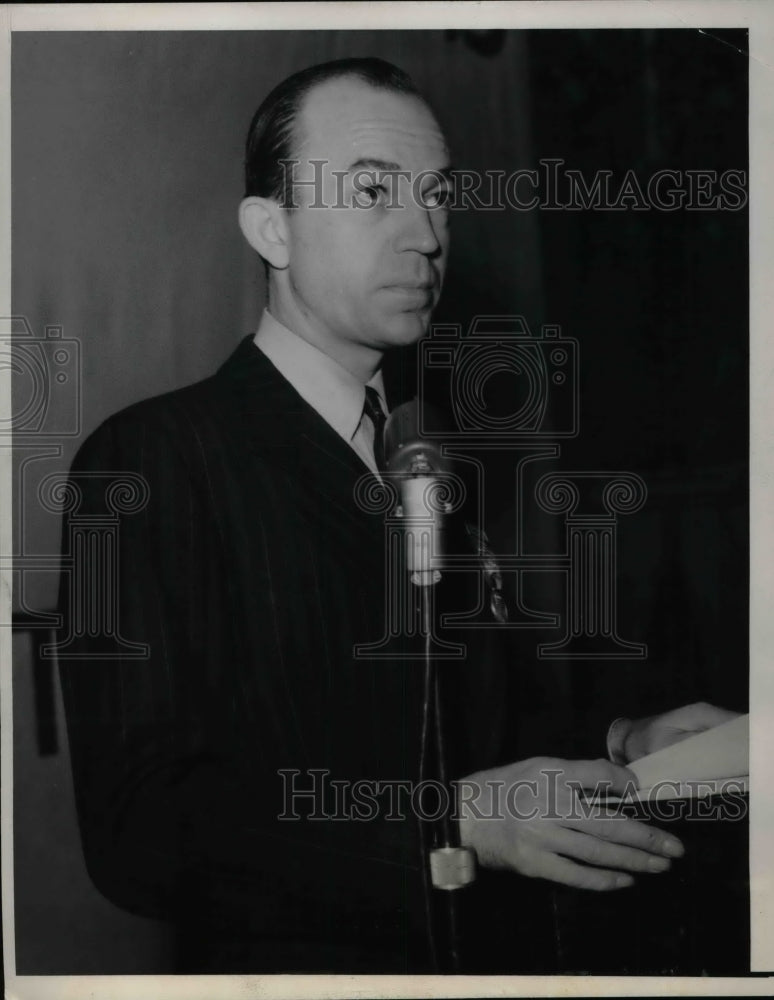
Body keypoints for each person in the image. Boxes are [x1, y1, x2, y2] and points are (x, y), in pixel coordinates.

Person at [58, 57, 736, 974]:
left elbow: (464, 721)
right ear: (273, 228)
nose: (426, 233)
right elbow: (140, 831)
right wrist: (451, 824)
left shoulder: (417, 446)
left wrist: (624, 739)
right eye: (373, 190)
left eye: (439, 196)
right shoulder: (148, 460)